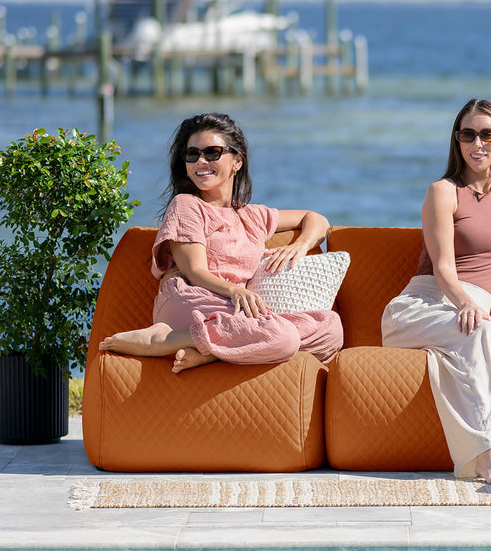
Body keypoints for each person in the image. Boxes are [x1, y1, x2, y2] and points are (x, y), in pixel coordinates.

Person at [381, 99, 491, 486]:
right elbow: (442, 269)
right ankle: (487, 456)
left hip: (467, 313)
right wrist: (466, 304)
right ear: (456, 141)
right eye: (467, 134)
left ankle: (455, 344)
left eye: (487, 134)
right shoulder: (442, 191)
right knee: (481, 332)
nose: (478, 143)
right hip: (421, 306)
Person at [100, 112, 343, 373]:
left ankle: (211, 353)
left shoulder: (252, 215)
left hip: (234, 310)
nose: (200, 161)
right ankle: (162, 339)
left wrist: (301, 245)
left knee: (330, 328)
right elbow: (195, 272)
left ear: (237, 160)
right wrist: (235, 290)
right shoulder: (186, 205)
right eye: (192, 154)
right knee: (282, 336)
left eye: (212, 152)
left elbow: (316, 219)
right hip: (192, 299)